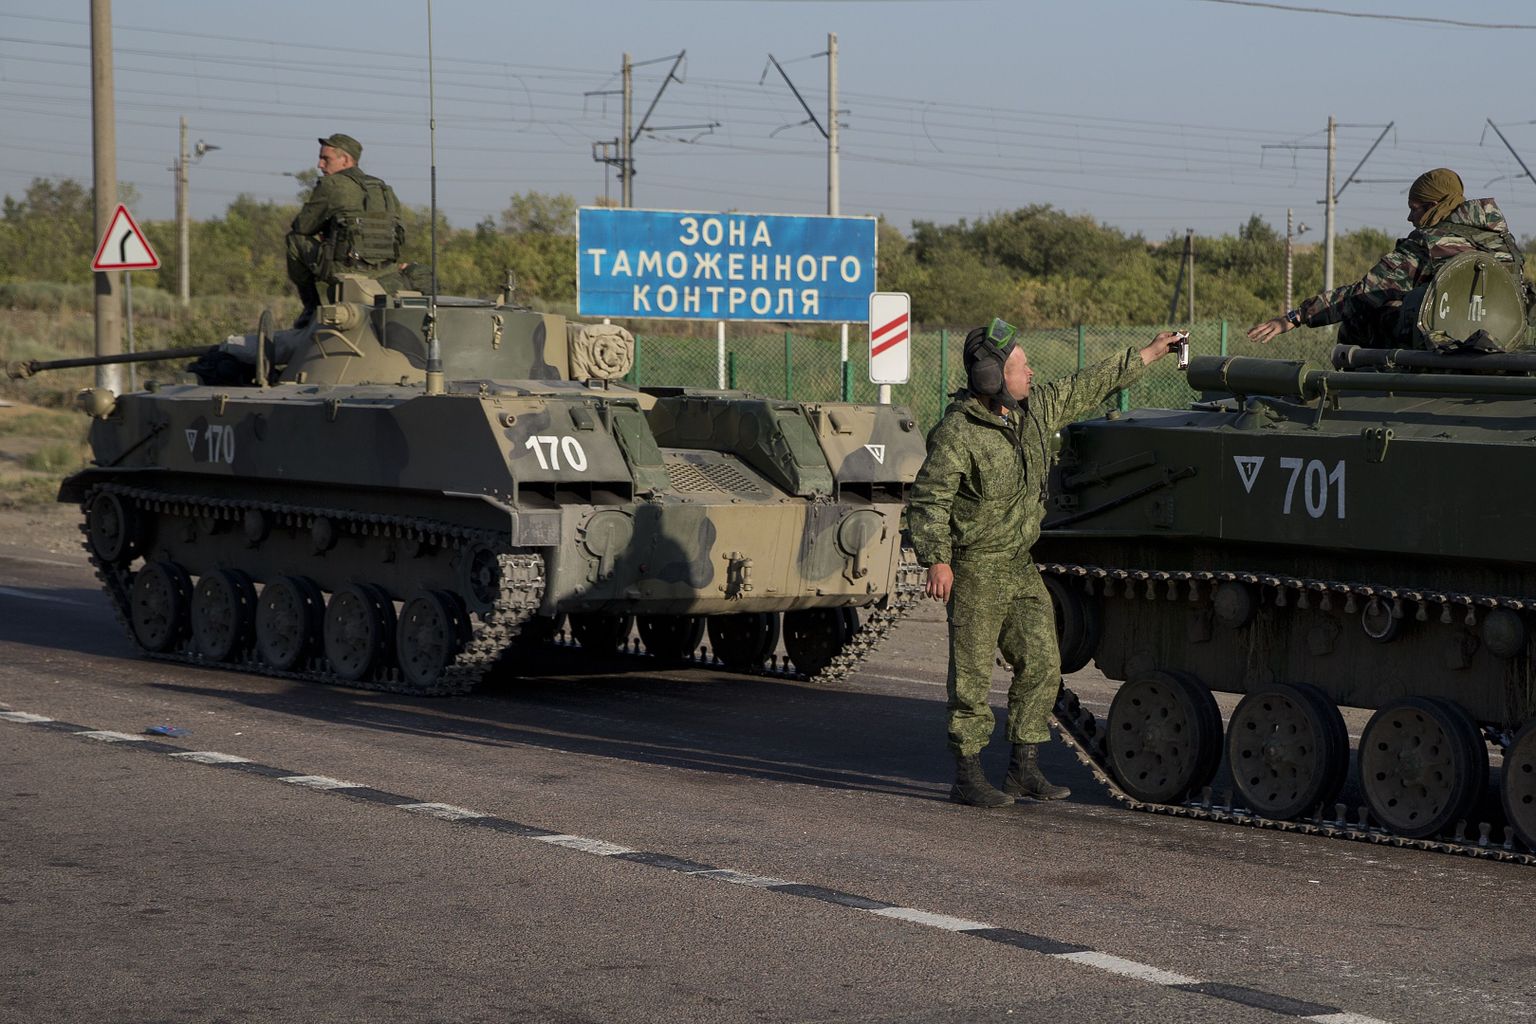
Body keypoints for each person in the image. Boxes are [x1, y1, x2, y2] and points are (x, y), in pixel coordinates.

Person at [908, 319, 1184, 807]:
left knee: (1042, 663)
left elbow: (1087, 385)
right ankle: (967, 775)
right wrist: (937, 560)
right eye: (1022, 365)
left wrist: (1150, 352)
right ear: (993, 377)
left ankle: (1023, 769)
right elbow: (930, 500)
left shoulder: (1033, 412)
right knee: (971, 676)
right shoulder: (958, 432)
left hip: (1017, 564)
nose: (1032, 371)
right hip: (974, 566)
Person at [1247, 168, 1528, 348]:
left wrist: (1297, 317)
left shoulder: (1430, 241)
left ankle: (1355, 395)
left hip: (1449, 345)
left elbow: (1365, 293)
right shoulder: (1503, 242)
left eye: (1414, 209)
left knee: (1359, 319)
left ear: (1433, 206)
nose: (1410, 217)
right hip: (1506, 341)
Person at [285, 133, 407, 324]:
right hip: (386, 272)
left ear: (346, 160)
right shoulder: (383, 188)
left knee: (294, 240)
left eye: (326, 159)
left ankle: (311, 308)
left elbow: (303, 226)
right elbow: (398, 233)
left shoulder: (332, 185)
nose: (320, 165)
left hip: (346, 269)